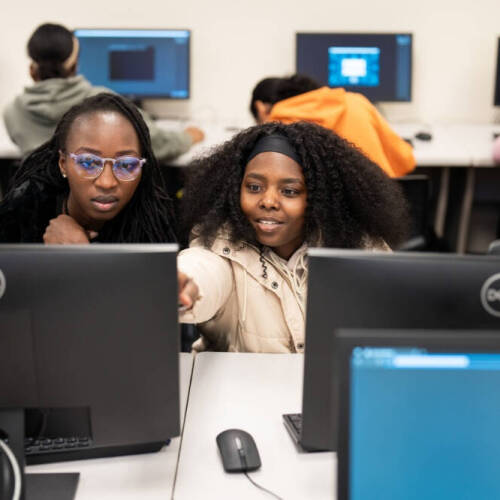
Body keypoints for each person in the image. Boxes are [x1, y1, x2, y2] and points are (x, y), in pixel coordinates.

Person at [177, 121, 409, 353]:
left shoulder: (358, 248)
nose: (268, 201)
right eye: (254, 187)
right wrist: (185, 284)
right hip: (244, 387)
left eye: (289, 191)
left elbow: (392, 323)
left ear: (317, 199)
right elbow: (204, 270)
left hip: (328, 387)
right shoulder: (218, 243)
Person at [3, 23, 204, 159]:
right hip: (100, 212)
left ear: (32, 69)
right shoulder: (106, 104)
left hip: (41, 213)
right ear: (75, 65)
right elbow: (158, 144)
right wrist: (189, 137)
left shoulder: (12, 112)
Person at [0, 93, 177, 244]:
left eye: (126, 165)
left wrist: (81, 255)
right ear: (63, 164)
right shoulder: (24, 212)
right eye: (88, 163)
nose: (107, 183)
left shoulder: (153, 226)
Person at [249, 74, 415, 178]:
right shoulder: (356, 101)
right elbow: (405, 160)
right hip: (379, 215)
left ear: (261, 108)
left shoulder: (279, 123)